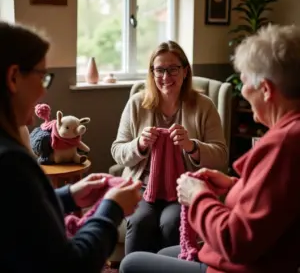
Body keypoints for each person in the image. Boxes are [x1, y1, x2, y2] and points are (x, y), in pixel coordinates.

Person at [119, 24, 300, 273]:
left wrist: (197, 193)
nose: (244, 91)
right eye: (159, 70)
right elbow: (271, 201)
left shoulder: (283, 144)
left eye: (246, 83)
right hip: (149, 192)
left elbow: (237, 241)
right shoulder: (287, 137)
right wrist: (234, 185)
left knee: (132, 263)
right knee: (156, 245)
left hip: (228, 264)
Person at [0, 21, 142, 273]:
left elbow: (19, 213)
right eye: (42, 76)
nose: (44, 90)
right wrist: (113, 207)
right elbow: (71, 265)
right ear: (13, 77)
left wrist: (69, 195)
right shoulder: (11, 162)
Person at [111, 40, 228, 255]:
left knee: (171, 223)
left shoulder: (204, 106)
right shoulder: (137, 103)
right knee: (139, 222)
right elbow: (117, 151)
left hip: (185, 188)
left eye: (173, 69)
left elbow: (221, 156)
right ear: (152, 73)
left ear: (185, 71)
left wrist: (191, 146)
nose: (166, 77)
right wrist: (139, 144)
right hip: (143, 187)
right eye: (159, 70)